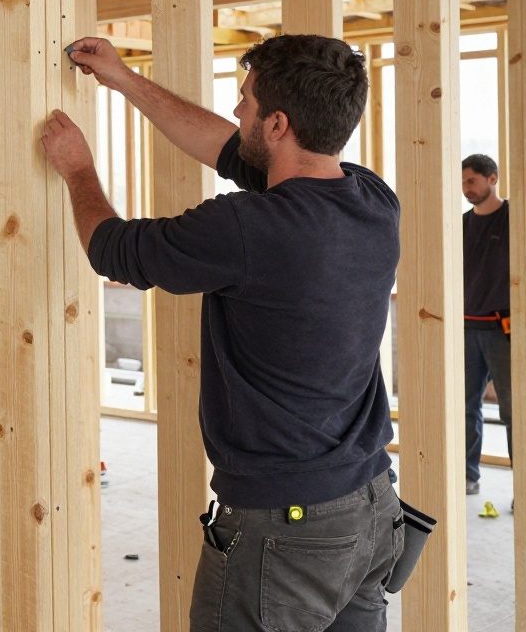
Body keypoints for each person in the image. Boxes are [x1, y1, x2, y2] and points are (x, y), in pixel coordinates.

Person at [42, 35, 402, 631]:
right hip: (368, 508)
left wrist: (79, 170)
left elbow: (114, 250)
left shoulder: (247, 229)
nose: (237, 112)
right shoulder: (371, 198)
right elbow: (229, 150)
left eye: (246, 101)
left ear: (279, 123)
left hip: (284, 529)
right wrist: (125, 81)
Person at [461, 153, 512, 498]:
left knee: (513, 410)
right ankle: (468, 476)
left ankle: (520, 486)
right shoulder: (462, 225)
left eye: (472, 181)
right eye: (463, 182)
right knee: (466, 407)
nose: (466, 188)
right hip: (465, 329)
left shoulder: (513, 217)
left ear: (492, 178)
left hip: (503, 330)